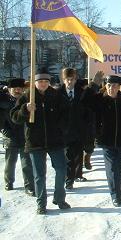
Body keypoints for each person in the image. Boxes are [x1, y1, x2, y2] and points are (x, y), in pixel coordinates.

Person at [11, 67, 71, 215]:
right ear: (35, 82)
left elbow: (67, 115)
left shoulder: (56, 96)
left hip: (55, 141)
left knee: (62, 169)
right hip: (35, 142)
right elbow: (15, 117)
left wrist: (61, 129)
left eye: (46, 81)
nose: (43, 84)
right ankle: (41, 203)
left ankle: (59, 198)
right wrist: (25, 109)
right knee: (39, 175)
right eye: (40, 81)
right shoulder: (27, 97)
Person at [88, 74, 121, 206]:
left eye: (115, 86)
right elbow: (84, 101)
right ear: (105, 86)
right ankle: (115, 194)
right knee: (111, 168)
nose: (112, 88)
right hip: (106, 140)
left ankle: (117, 186)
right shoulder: (99, 100)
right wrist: (93, 85)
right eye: (109, 85)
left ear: (119, 87)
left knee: (120, 168)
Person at [58, 68, 92, 189]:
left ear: (75, 79)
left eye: (72, 79)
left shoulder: (81, 92)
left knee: (78, 156)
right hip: (64, 132)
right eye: (67, 79)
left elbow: (88, 109)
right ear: (63, 80)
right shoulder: (58, 93)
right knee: (68, 157)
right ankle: (69, 180)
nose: (70, 82)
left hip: (79, 131)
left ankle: (76, 176)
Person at [1, 78, 34, 196]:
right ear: (9, 90)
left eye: (19, 89)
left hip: (25, 136)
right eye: (15, 89)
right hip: (11, 137)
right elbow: (1, 122)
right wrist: (6, 132)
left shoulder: (26, 101)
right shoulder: (3, 102)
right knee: (10, 162)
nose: (17, 91)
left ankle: (29, 186)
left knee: (27, 163)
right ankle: (8, 182)